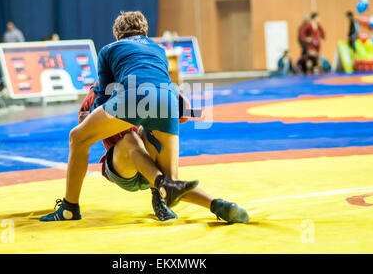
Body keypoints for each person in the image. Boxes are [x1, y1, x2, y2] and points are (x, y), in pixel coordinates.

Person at [40, 11, 247, 223]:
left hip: (127, 166)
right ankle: (209, 203)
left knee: (81, 138)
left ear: (118, 36)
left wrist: (97, 114)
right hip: (162, 104)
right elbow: (182, 109)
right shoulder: (158, 51)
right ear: (145, 34)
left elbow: (96, 109)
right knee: (162, 169)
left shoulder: (109, 54)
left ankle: (69, 208)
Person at [73, 82, 249, 223]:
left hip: (151, 161)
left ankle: (216, 205)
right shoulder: (99, 91)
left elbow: (183, 114)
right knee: (131, 138)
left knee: (155, 129)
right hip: (124, 167)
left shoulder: (150, 81)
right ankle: (162, 190)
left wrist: (175, 102)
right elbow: (81, 134)